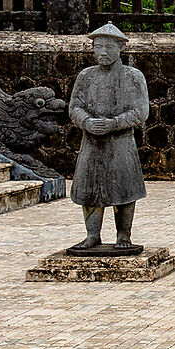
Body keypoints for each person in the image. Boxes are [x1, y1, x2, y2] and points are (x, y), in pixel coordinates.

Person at [67, 22, 149, 253]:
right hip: (91, 142)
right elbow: (75, 107)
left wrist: (114, 123)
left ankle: (124, 235)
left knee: (124, 189)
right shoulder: (86, 76)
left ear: (120, 49)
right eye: (98, 46)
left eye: (109, 47)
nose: (103, 52)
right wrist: (86, 122)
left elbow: (141, 111)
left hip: (121, 142)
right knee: (90, 189)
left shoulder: (133, 77)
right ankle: (92, 234)